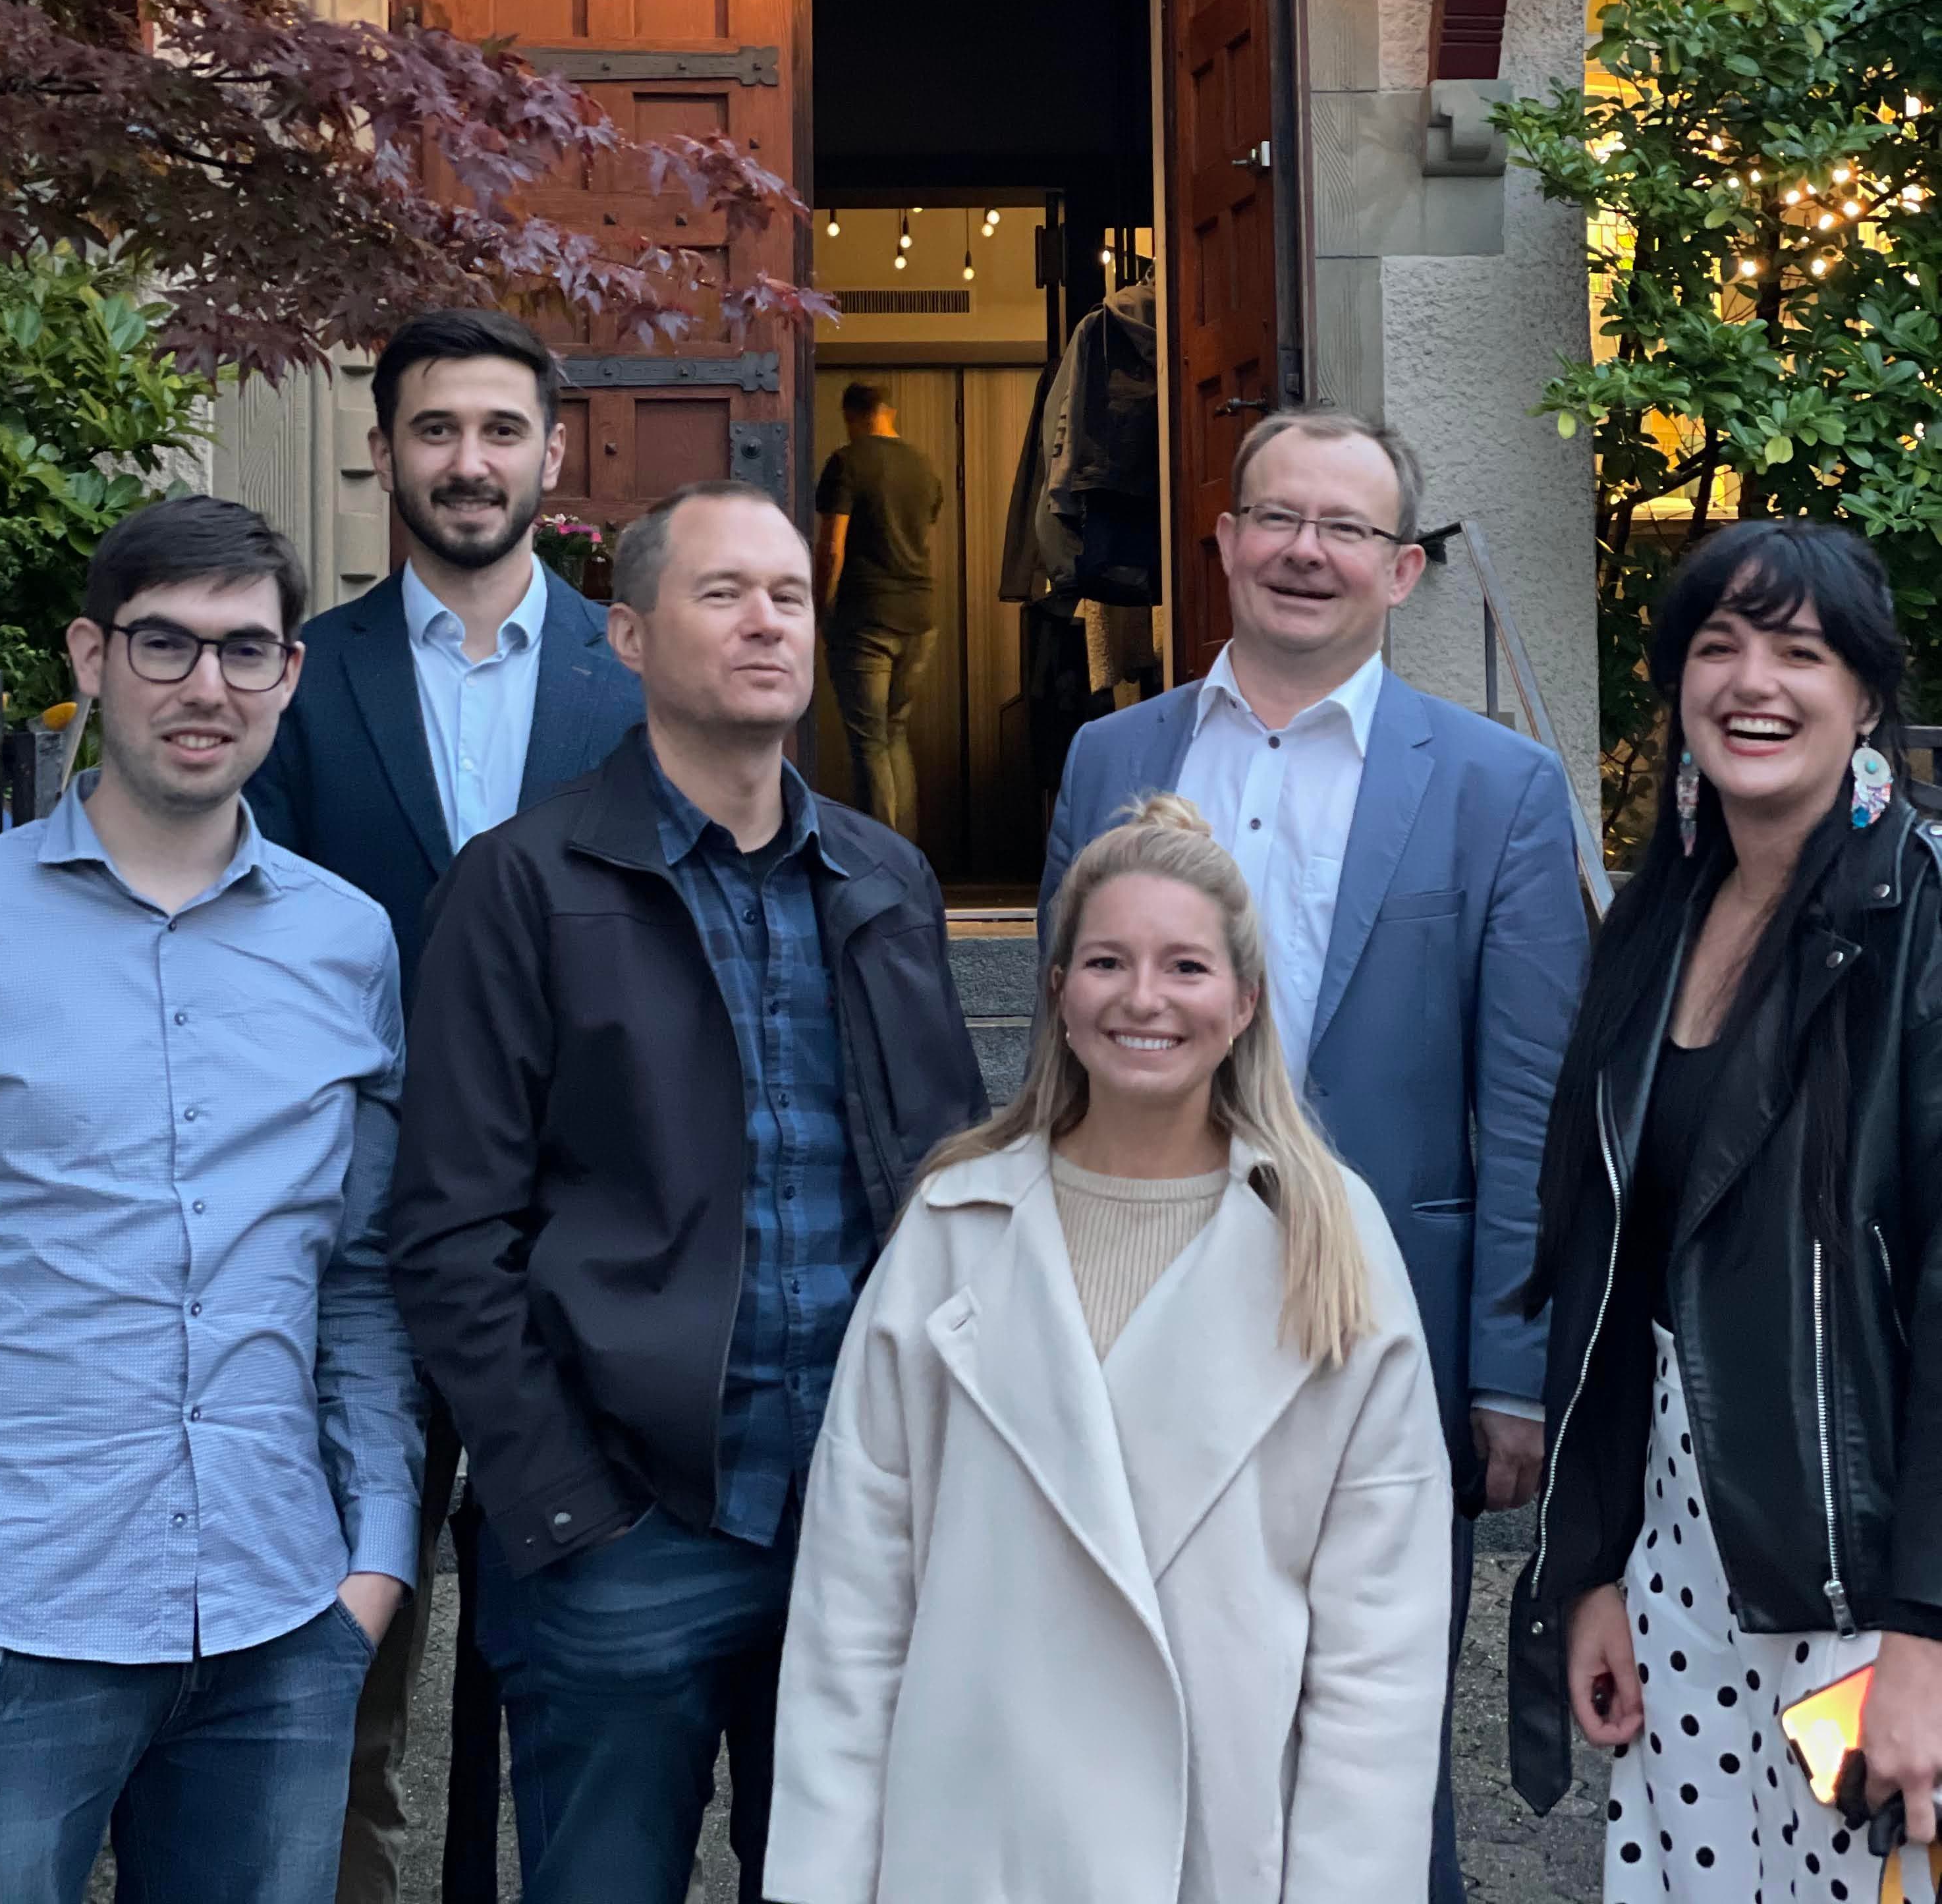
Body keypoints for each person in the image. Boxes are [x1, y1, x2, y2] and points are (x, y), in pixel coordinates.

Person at [388, 479, 989, 1904]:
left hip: (864, 1520)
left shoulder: (884, 879)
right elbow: (450, 1232)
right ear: (630, 637)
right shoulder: (521, 887)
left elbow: (956, 1188)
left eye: (787, 593)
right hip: (625, 1533)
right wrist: (559, 1504)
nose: (767, 621)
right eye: (722, 594)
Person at [1040, 405, 1589, 1904]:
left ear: (1404, 570)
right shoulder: (1109, 761)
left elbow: (1532, 1099)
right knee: (1133, 1734)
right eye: (1277, 518)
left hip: (1383, 1338)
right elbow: (1059, 1055)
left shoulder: (1498, 789)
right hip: (1127, 1330)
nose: (1306, 552)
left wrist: (1510, 1371)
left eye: (1347, 528)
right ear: (1220, 545)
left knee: (1373, 1752)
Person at [763, 793, 1453, 1903]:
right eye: (1104, 962)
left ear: (1244, 1002)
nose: (1142, 998)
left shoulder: (1328, 1242)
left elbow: (1378, 1645)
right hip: (972, 1843)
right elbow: (854, 1603)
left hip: (1216, 1847)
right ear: (1056, 992)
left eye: (1184, 966)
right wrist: (823, 1878)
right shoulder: (950, 1228)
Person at [0, 496, 425, 1904]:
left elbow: (359, 1272)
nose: (206, 687)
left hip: (280, 1617)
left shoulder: (351, 945)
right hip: (5, 1616)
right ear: (91, 659)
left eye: (246, 650)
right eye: (165, 644)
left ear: (290, 675)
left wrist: (377, 1564)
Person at [249, 306, 644, 1904]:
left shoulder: (642, 674)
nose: (467, 462)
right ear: (382, 452)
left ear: (555, 457)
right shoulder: (300, 676)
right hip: (352, 1229)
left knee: (589, 1651)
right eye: (433, 430)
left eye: (500, 430)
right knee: (337, 1651)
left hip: (595, 1234)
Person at [1511, 520, 1942, 1899]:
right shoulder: (1657, 922)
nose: (1754, 681)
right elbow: (1608, 1274)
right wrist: (1589, 1567)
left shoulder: (1922, 923)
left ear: (1865, 696)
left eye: (1800, 651)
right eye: (1718, 645)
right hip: (1680, 1563)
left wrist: (1928, 1638)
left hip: (1859, 1576)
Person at [814, 381, 943, 841]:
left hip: (866, 617)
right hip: (920, 617)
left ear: (851, 415)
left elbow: (833, 547)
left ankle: (882, 861)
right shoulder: (923, 467)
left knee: (869, 742)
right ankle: (906, 857)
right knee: (895, 733)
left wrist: (817, 609)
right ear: (890, 411)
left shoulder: (847, 462)